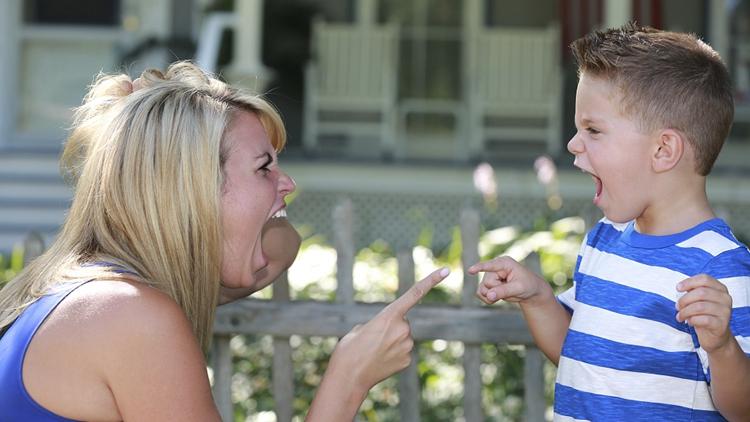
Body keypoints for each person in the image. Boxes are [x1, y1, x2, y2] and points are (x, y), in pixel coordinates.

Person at [0, 61, 449, 421]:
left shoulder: (88, 288)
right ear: (191, 190)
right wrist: (349, 378)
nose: (287, 182)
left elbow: (279, 248)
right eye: (263, 168)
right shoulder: (129, 316)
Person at [470, 24, 750, 421]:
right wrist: (538, 298)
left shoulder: (719, 267)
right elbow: (578, 355)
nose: (572, 143)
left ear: (663, 149)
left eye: (593, 130)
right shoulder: (604, 240)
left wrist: (722, 348)